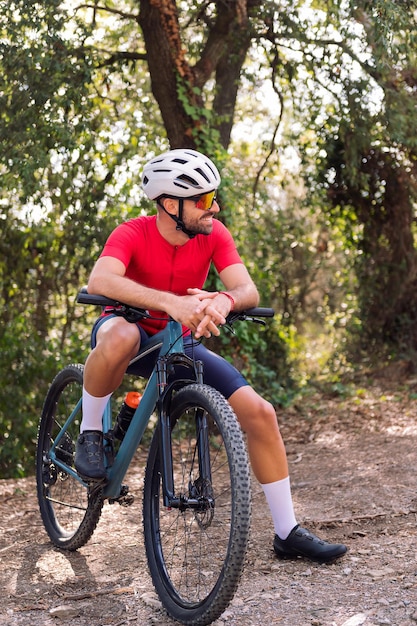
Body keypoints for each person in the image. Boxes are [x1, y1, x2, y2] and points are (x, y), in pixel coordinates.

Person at [75, 148, 347, 564]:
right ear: (170, 204)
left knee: (261, 412)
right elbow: (102, 278)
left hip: (179, 343)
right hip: (127, 332)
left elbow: (247, 290)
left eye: (213, 197)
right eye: (203, 200)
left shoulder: (215, 234)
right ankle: (91, 432)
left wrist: (224, 298)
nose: (214, 207)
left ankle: (286, 531)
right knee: (120, 337)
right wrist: (170, 303)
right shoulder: (131, 232)